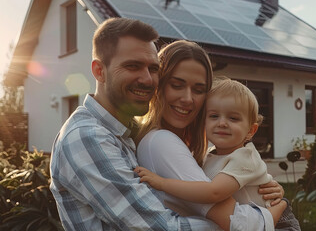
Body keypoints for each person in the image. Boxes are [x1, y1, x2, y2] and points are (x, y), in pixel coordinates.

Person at [49, 17, 283, 230]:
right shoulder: (90, 136)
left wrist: (259, 186)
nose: (147, 78)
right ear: (99, 71)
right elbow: (162, 227)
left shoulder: (123, 135)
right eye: (132, 66)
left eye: (152, 69)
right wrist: (274, 212)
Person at [135, 40, 287, 230]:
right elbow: (244, 225)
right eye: (176, 85)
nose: (188, 98)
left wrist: (270, 189)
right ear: (159, 85)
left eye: (198, 90)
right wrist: (280, 208)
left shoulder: (208, 150)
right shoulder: (160, 141)